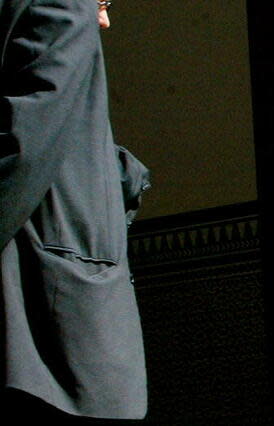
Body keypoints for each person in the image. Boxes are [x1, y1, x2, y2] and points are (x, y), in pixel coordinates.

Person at [0, 0, 150, 421]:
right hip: (45, 335)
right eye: (103, 3)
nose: (103, 17)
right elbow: (24, 148)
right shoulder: (60, 3)